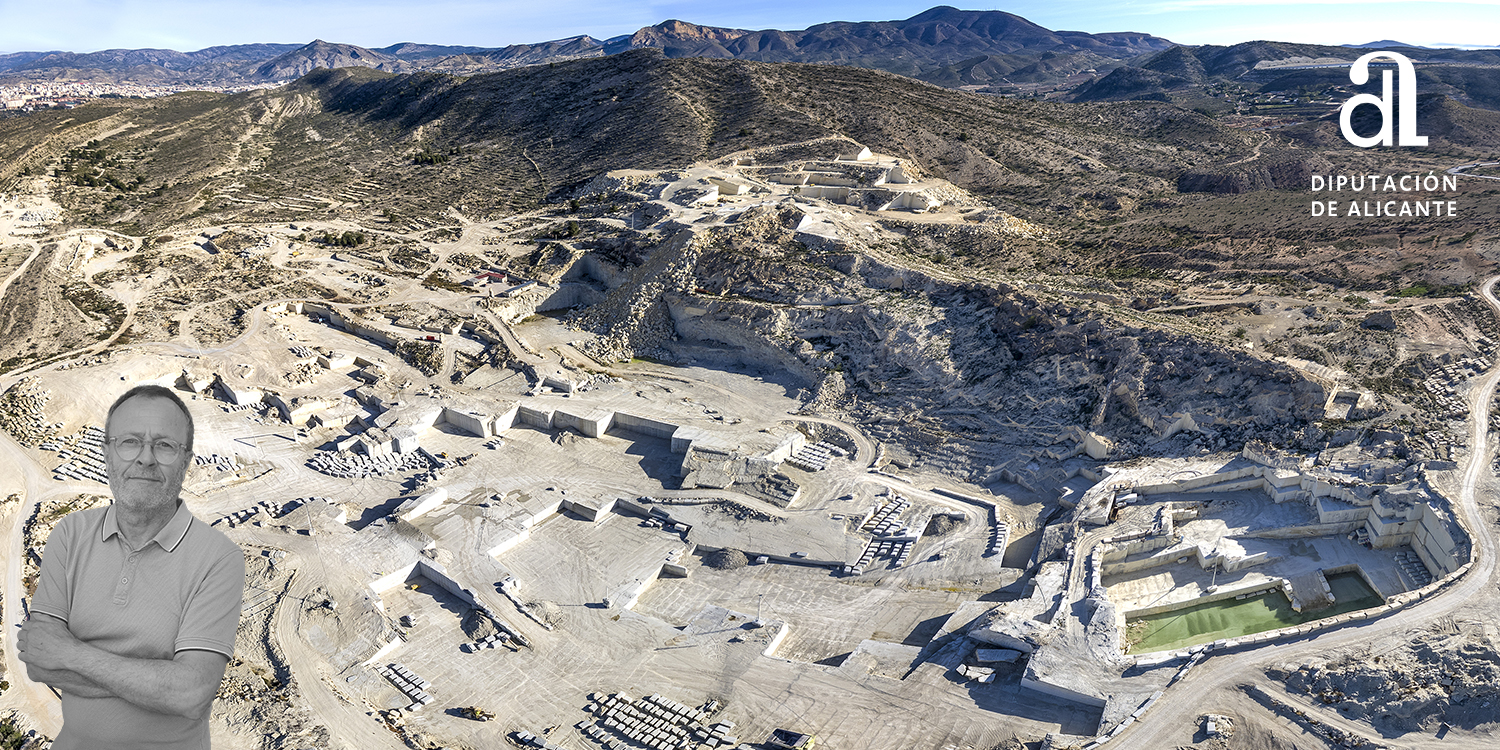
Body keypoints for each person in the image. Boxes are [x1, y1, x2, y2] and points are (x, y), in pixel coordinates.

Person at [17, 384, 245, 750]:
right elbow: (40, 661)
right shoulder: (69, 534)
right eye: (130, 442)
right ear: (107, 455)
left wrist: (72, 654)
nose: (145, 458)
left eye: (165, 446)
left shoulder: (219, 558)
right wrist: (155, 686)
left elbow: (190, 694)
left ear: (186, 462)